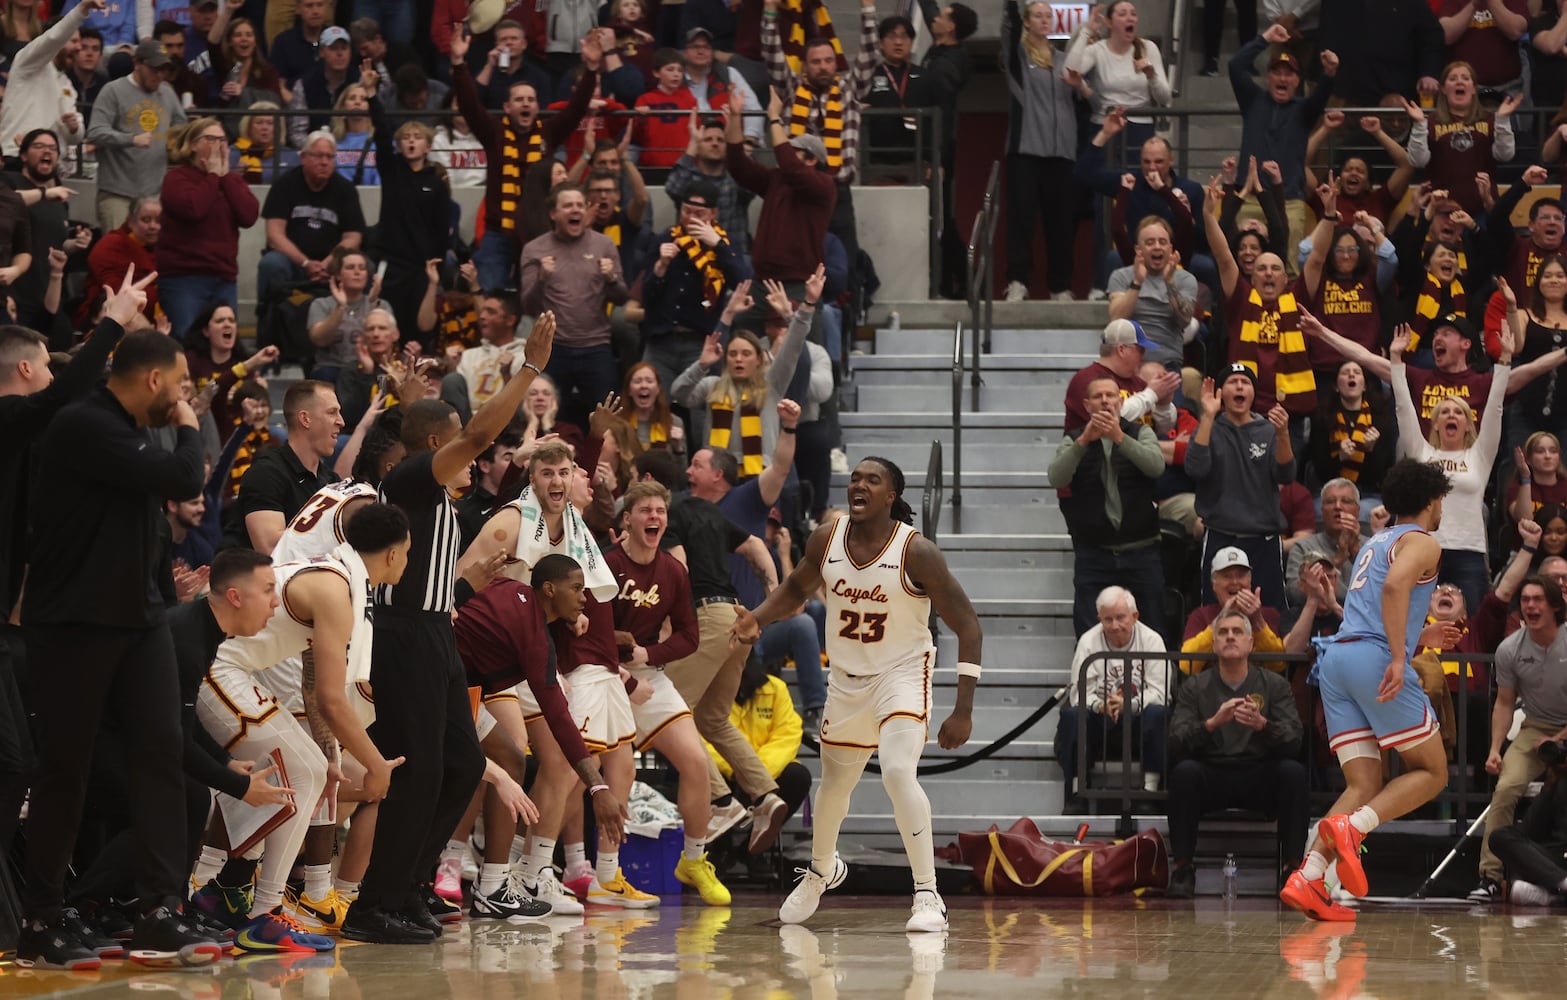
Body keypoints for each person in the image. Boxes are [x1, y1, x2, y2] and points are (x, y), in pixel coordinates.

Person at [17, 275, 229, 969]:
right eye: (179, 382)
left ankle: (160, 911)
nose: (185, 393)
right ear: (149, 378)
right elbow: (183, 480)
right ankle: (44, 916)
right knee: (65, 772)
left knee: (162, 761)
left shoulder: (131, 434)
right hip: (74, 624)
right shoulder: (86, 425)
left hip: (137, 624)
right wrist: (191, 426)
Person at [342, 313, 557, 944]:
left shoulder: (432, 487)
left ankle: (409, 885)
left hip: (440, 634)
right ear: (436, 445)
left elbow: (435, 429)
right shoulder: (411, 478)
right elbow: (481, 430)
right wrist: (530, 369)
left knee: (462, 766)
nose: (472, 447)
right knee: (422, 771)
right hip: (404, 633)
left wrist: (414, 399)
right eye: (456, 440)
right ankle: (375, 902)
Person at [734, 456, 981, 933]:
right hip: (847, 680)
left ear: (891, 495)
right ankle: (824, 869)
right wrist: (757, 618)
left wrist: (963, 709)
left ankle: (928, 893)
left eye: (874, 479)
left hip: (902, 673)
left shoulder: (917, 552)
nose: (860, 485)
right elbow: (796, 588)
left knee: (895, 770)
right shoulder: (828, 539)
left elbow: (968, 626)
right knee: (834, 788)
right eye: (856, 478)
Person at [196, 503, 414, 952]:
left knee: (310, 772)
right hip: (216, 668)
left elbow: (314, 685)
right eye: (408, 552)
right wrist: (375, 766)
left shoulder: (335, 577)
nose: (409, 562)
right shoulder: (336, 590)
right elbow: (334, 699)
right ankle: (257, 910)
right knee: (304, 773)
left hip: (232, 671)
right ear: (392, 555)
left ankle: (223, 892)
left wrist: (331, 754)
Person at [1279, 458, 1451, 921]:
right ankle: (1354, 829)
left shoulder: (1377, 540)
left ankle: (1310, 876)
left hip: (1337, 659)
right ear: (1433, 501)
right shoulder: (1423, 542)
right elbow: (1396, 589)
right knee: (1433, 772)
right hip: (1373, 660)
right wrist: (1400, 658)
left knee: (1363, 782)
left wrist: (1417, 638)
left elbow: (1374, 603)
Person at [1166, 608, 1306, 897]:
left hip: (1258, 773)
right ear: (1214, 643)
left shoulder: (1274, 685)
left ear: (1251, 643)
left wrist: (1263, 725)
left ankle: (1292, 870)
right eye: (1223, 632)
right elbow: (1176, 742)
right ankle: (1182, 868)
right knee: (1183, 774)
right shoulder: (1195, 686)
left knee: (1293, 773)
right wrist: (1211, 724)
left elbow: (1295, 741)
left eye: (1237, 631)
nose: (1230, 637)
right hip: (1212, 773)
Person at [450, 24, 601, 290]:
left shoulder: (549, 132)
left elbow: (576, 109)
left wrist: (590, 70)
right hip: (498, 234)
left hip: (540, 232)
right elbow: (470, 106)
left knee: (540, 296)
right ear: (507, 108)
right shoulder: (494, 131)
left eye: (531, 100)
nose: (526, 104)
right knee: (489, 293)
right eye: (519, 100)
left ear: (538, 106)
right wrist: (459, 64)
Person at [1390, 314, 1511, 611]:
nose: (1451, 416)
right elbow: (1403, 407)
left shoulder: (1479, 456)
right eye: (1444, 412)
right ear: (1435, 423)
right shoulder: (1421, 453)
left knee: (1470, 627)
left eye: (1458, 412)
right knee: (1418, 623)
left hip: (1469, 552)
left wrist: (1506, 359)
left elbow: (1495, 408)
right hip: (1424, 548)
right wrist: (1396, 359)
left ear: (1469, 424)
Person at [1469, 574, 1567, 903]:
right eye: (1525, 600)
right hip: (1535, 727)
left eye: (1538, 599)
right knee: (1507, 786)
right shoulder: (1509, 649)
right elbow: (1505, 702)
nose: (1530, 606)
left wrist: (1559, 740)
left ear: (1555, 605)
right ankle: (1491, 877)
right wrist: (1495, 749)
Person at [762, 0, 877, 274]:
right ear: (805, 66)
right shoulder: (791, 89)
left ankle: (846, 314)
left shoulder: (850, 89)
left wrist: (869, 10)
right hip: (799, 190)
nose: (824, 67)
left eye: (828, 61)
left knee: (843, 266)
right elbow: (771, 52)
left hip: (838, 193)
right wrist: (769, 10)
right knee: (799, 263)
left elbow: (870, 54)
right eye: (816, 62)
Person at [1048, 373, 1166, 638]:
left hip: (1142, 550)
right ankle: (1088, 679)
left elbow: (1156, 466)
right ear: (1087, 405)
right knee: (1088, 630)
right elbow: (1056, 477)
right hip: (1094, 553)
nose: (1105, 401)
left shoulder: (1140, 432)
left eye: (1110, 395)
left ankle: (1157, 680)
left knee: (1153, 625)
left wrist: (1119, 437)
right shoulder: (1074, 438)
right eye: (1098, 397)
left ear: (1120, 401)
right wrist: (1083, 442)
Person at [521, 185, 628, 430]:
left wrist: (611, 278)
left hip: (596, 347)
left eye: (580, 205)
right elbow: (527, 305)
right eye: (568, 205)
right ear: (553, 214)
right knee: (544, 421)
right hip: (553, 348)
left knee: (609, 421)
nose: (576, 210)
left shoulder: (605, 245)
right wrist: (541, 278)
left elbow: (621, 297)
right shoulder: (534, 249)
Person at [1187, 365, 1295, 609]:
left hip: (1263, 539)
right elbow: (1195, 469)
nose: (1239, 387)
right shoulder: (1209, 428)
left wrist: (1283, 434)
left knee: (1269, 613)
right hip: (1220, 534)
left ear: (1253, 393)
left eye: (1245, 382)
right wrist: (1207, 416)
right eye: (1232, 382)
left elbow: (1286, 475)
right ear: (1221, 393)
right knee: (1216, 612)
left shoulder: (1268, 430)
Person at [1056, 586, 1170, 809]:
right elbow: (1079, 693)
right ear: (1100, 619)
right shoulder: (1088, 641)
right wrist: (1100, 705)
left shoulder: (1152, 640)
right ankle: (1077, 791)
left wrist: (1131, 704)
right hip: (1101, 718)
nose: (1115, 626)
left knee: (1159, 714)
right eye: (1108, 619)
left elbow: (1160, 692)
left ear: (1135, 616)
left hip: (1140, 719)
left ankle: (1150, 791)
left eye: (1120, 618)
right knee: (1072, 716)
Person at [999, 0, 1077, 303]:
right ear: (1028, 21)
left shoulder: (1065, 59)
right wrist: (1012, 7)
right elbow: (1008, 30)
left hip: (1062, 153)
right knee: (1021, 220)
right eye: (1038, 16)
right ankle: (1018, 281)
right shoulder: (1017, 57)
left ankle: (1060, 286)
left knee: (1060, 222)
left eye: (1048, 16)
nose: (1044, 21)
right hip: (1026, 150)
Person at [157, 117, 259, 341]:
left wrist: (225, 178)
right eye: (211, 139)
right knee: (187, 339)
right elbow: (193, 209)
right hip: (184, 278)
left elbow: (249, 215)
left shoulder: (232, 181)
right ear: (193, 145)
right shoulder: (176, 178)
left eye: (223, 140)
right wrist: (213, 176)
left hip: (224, 276)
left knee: (222, 343)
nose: (219, 145)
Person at [257, 131, 368, 324]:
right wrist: (306, 264)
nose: (324, 162)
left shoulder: (346, 189)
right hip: (293, 262)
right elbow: (275, 235)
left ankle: (359, 329)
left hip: (331, 264)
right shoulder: (285, 184)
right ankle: (268, 330)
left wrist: (329, 263)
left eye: (330, 157)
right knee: (271, 263)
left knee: (363, 267)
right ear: (303, 158)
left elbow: (353, 237)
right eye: (318, 156)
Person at [223, 380, 345, 553]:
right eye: (332, 412)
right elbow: (271, 548)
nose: (341, 421)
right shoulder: (266, 474)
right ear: (305, 419)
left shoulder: (331, 480)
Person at [86, 38, 185, 234]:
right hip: (117, 194)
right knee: (118, 254)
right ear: (137, 64)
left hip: (154, 194)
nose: (160, 75)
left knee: (150, 256)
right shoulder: (113, 91)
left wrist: (176, 140)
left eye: (164, 70)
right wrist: (131, 139)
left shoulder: (167, 92)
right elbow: (95, 133)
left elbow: (181, 126)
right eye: (154, 69)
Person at [1405, 62, 1519, 217]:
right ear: (1443, 89)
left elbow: (1505, 155)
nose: (1459, 82)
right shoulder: (1430, 121)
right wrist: (1418, 126)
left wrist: (1503, 121)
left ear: (1473, 88)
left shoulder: (1491, 120)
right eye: (1453, 78)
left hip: (1483, 209)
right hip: (1441, 210)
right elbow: (1417, 161)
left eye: (1465, 78)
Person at [1064, 1, 1172, 155]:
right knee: (1101, 177)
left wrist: (1151, 76)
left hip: (1140, 127)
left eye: (1133, 14)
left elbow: (1165, 98)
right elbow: (1069, 73)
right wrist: (1086, 31)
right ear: (1109, 22)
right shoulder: (1098, 50)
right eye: (1122, 14)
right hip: (1104, 125)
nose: (1130, 18)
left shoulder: (1148, 48)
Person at [0, 0, 99, 158]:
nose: (79, 48)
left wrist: (74, 128)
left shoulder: (66, 84)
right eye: (73, 41)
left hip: (50, 167)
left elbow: (74, 138)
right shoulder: (26, 63)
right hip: (16, 158)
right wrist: (81, 10)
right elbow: (53, 38)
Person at [1106, 216, 1201, 370]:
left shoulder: (1185, 279)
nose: (1157, 247)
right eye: (1150, 243)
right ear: (1138, 249)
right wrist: (1137, 282)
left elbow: (1184, 320)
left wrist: (1170, 283)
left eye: (1162, 242)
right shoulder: (1121, 276)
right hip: (1129, 365)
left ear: (1170, 248)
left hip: (1168, 364)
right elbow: (1116, 317)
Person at [1308, 359, 1394, 505]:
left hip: (1367, 493)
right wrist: (1340, 457)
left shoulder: (1380, 420)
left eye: (1357, 373)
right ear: (1336, 386)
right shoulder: (1322, 418)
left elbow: (1381, 475)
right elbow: (1320, 471)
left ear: (1365, 385)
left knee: (1365, 512)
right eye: (1345, 373)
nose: (1351, 376)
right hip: (1331, 490)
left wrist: (1371, 449)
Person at [666, 111, 753, 256]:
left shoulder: (735, 177)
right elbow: (672, 188)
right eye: (708, 140)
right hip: (692, 257)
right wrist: (693, 143)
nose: (715, 143)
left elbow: (751, 186)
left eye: (720, 140)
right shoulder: (688, 176)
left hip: (732, 257)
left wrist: (735, 139)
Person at [1285, 478, 1369, 606]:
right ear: (1322, 511)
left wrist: (1358, 555)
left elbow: (1383, 592)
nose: (1338, 507)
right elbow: (1294, 595)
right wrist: (1335, 562)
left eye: (1346, 501)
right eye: (1330, 501)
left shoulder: (1373, 546)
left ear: (1358, 511)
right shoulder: (1303, 547)